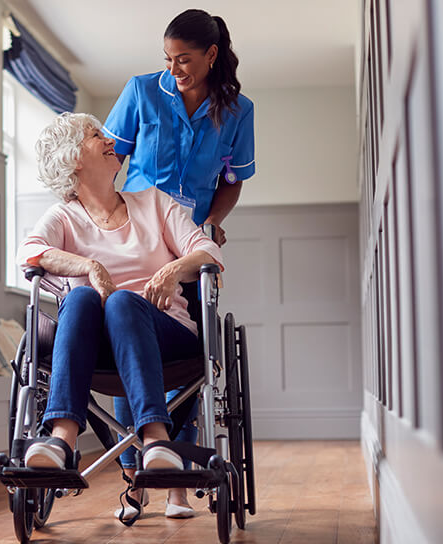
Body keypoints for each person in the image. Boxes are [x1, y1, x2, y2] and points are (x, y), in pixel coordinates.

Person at [16, 112, 224, 521]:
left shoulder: (154, 203)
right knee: (78, 301)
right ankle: (62, 438)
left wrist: (172, 270)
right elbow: (29, 253)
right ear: (74, 159)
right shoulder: (63, 217)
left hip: (166, 333)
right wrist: (89, 266)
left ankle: (156, 439)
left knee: (123, 302)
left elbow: (209, 252)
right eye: (97, 136)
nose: (111, 139)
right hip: (98, 350)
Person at [101, 8, 256, 518]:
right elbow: (108, 160)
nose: (175, 70)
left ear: (211, 55)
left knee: (188, 361)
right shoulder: (142, 92)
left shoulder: (237, 111)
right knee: (132, 351)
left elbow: (233, 180)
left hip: (188, 249)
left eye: (184, 60)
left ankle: (177, 486)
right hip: (139, 241)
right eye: (168, 60)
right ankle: (134, 479)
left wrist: (211, 222)